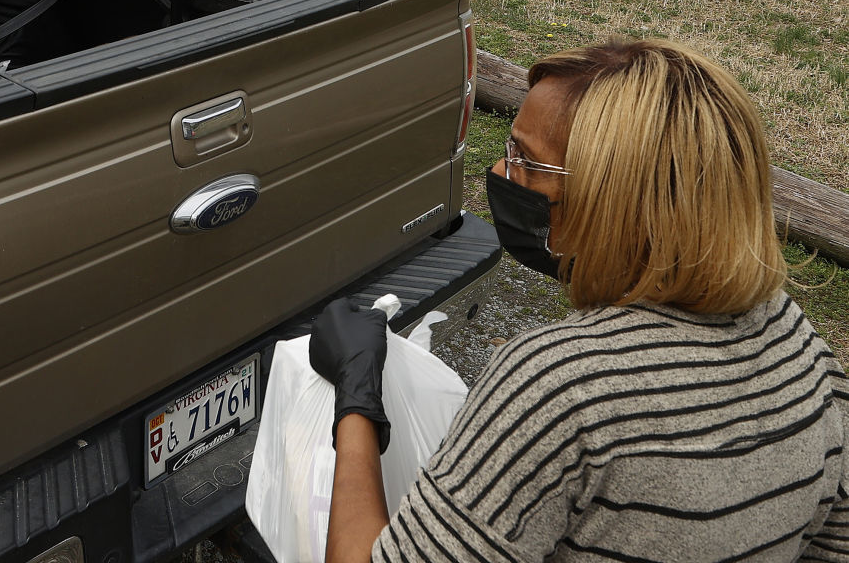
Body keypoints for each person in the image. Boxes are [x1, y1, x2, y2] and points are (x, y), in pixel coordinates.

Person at [311, 37, 849, 563]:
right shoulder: (795, 337)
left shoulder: (560, 384)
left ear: (611, 197)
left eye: (525, 158)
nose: (500, 173)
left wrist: (357, 401)